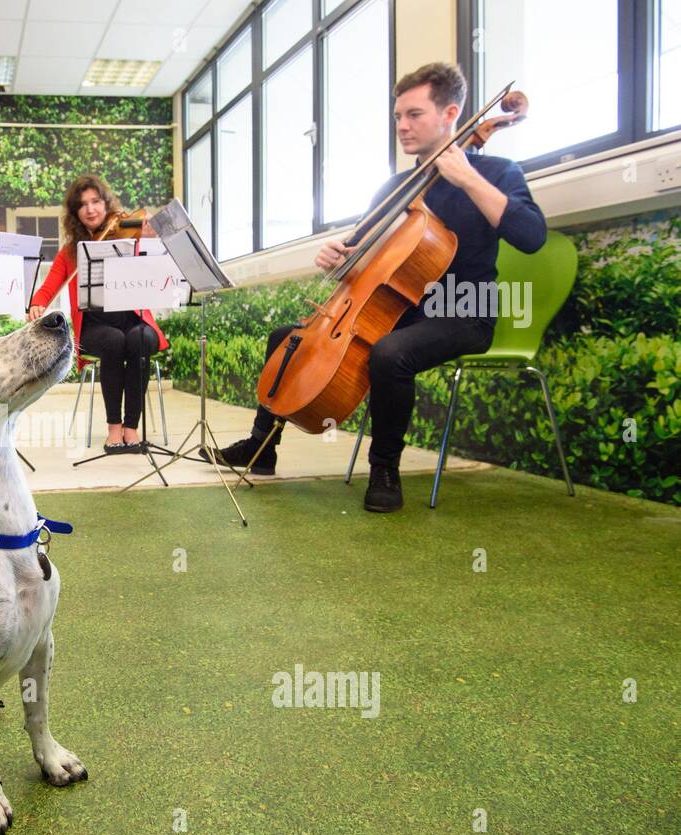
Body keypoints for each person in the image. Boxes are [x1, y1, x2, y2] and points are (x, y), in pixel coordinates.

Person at [204, 62, 546, 512]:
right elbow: (366, 261)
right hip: (396, 311)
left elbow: (531, 235)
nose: (402, 126)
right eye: (398, 116)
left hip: (463, 312)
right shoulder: (395, 187)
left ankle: (384, 467)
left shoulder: (497, 172)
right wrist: (337, 255)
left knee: (390, 354)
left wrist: (465, 176)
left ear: (450, 114)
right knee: (286, 339)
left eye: (414, 115)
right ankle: (260, 447)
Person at [28, 174, 170, 453]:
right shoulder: (72, 252)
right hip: (94, 327)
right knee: (115, 341)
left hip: (134, 319)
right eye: (83, 205)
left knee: (140, 338)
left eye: (95, 202)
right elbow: (49, 287)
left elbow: (159, 263)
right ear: (75, 213)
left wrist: (153, 237)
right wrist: (37, 303)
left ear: (106, 204)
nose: (90, 209)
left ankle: (132, 428)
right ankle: (114, 428)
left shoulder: (130, 238)